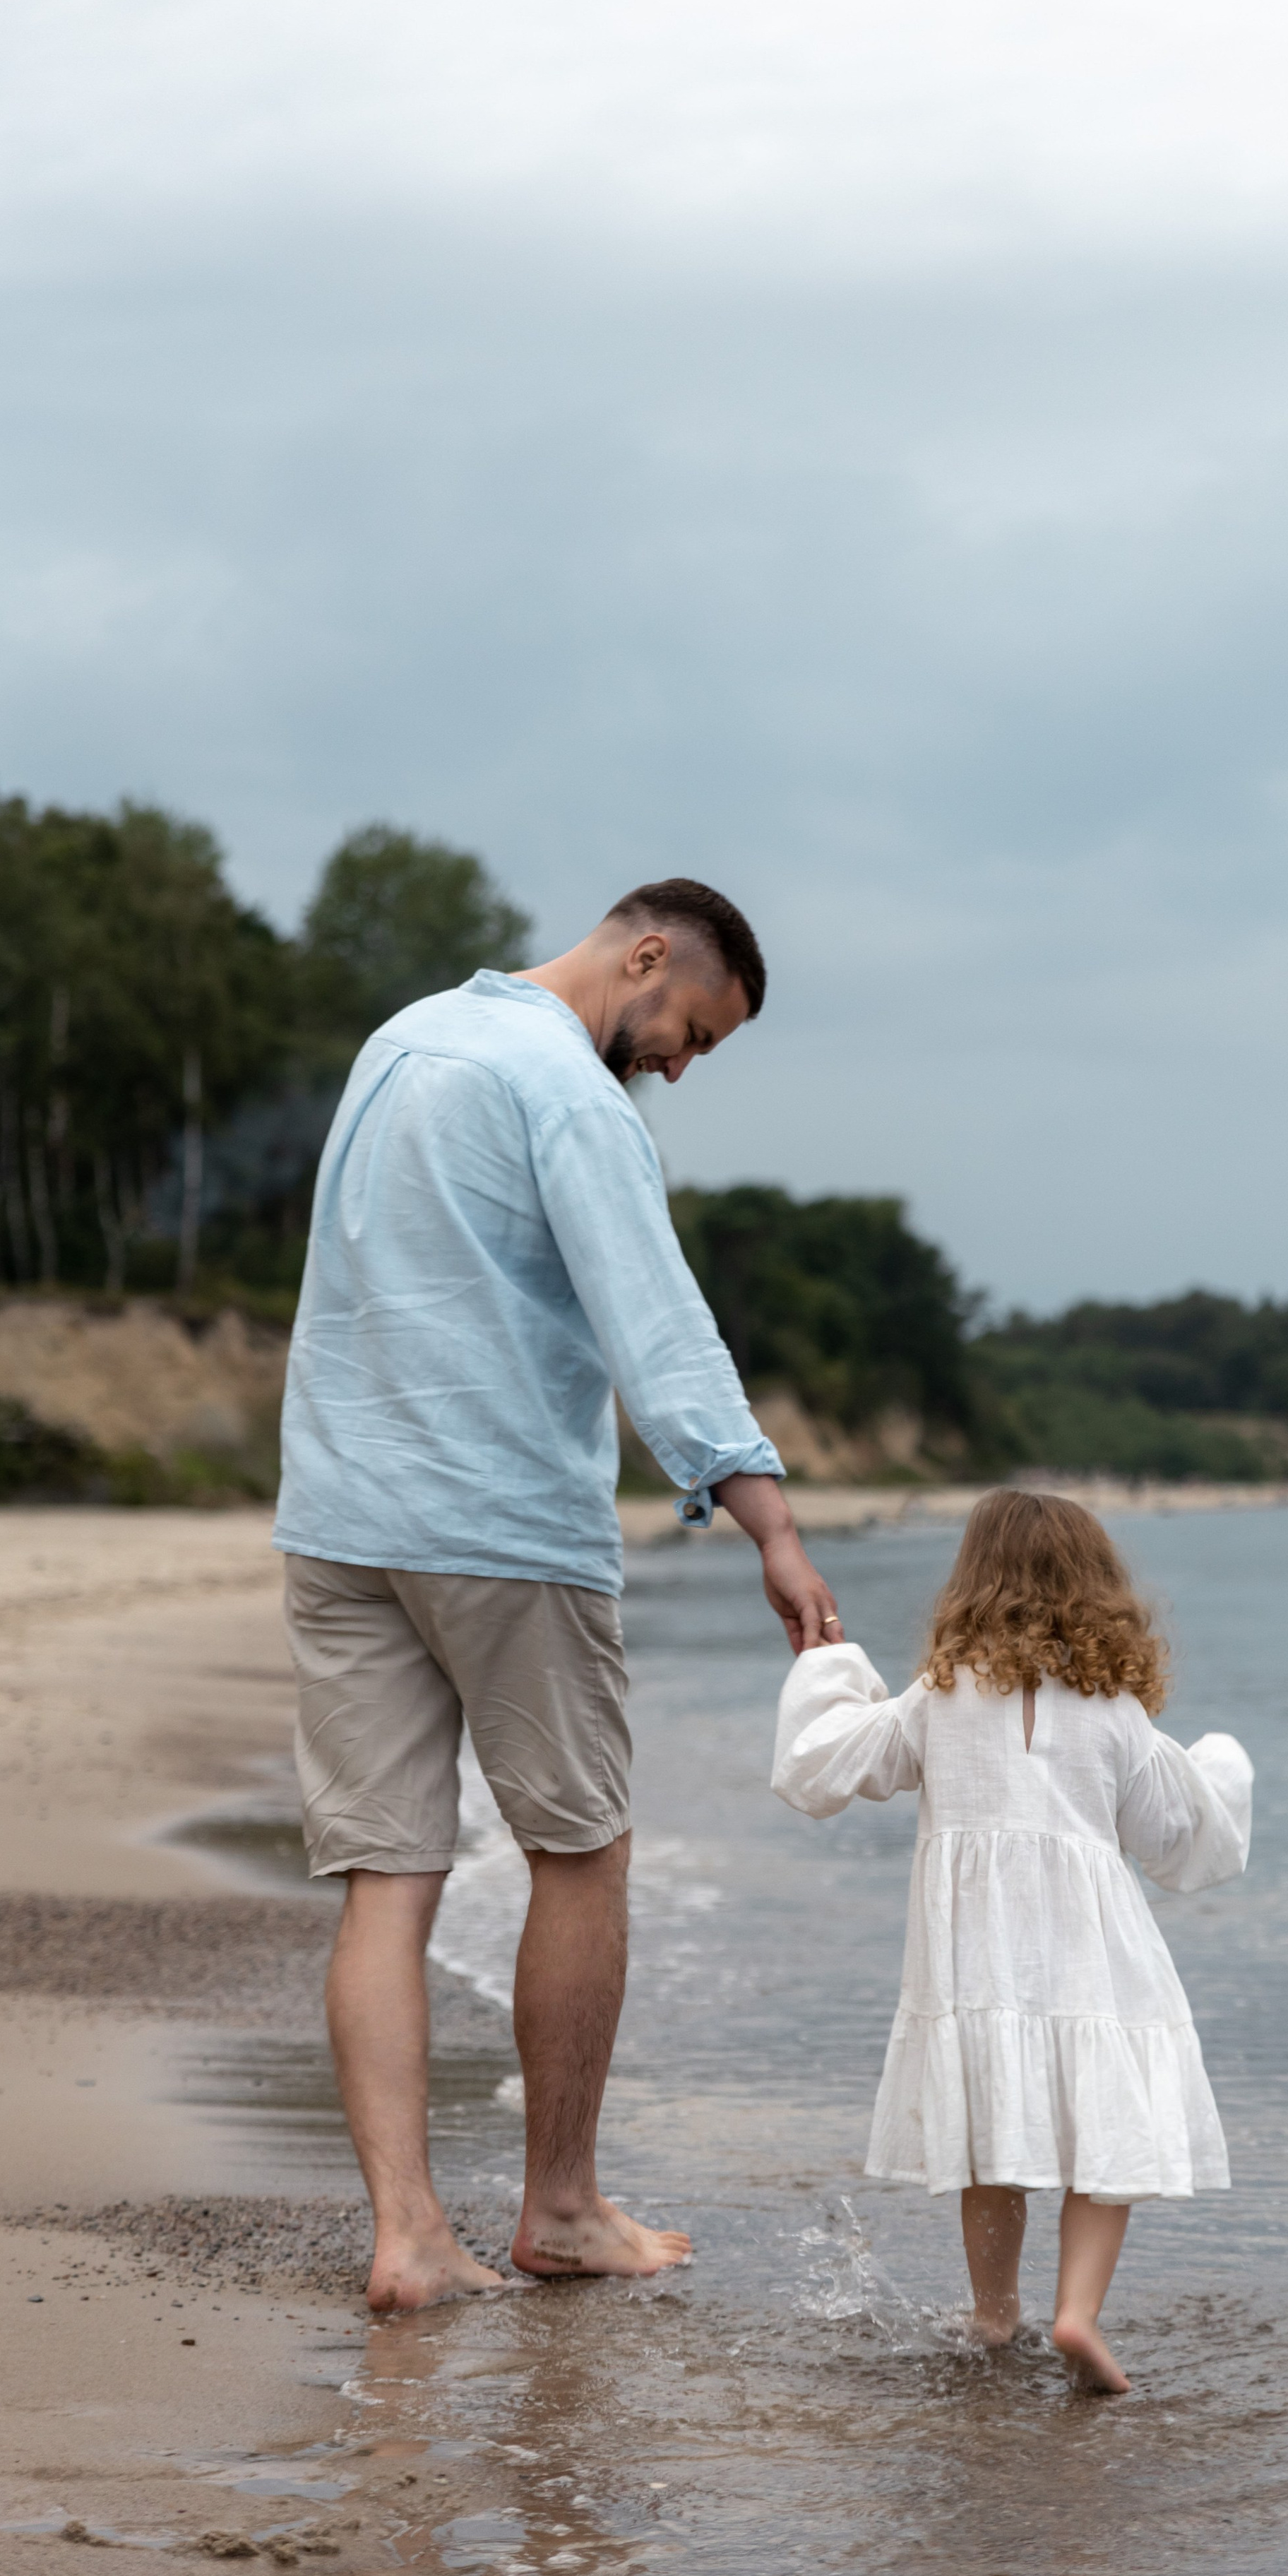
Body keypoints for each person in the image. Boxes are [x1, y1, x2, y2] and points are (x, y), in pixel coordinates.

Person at [274, 877, 842, 2313]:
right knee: (579, 1852)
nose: (677, 1063)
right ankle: (561, 2210)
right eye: (690, 1029)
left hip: (341, 1520)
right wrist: (768, 1525)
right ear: (643, 954)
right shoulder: (569, 1095)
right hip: (501, 1526)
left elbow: (343, 1276)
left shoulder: (399, 1043)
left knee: (386, 1882)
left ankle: (406, 2239)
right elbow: (658, 1326)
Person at [770, 1488, 1251, 2392]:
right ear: (1097, 1588)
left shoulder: (938, 1698)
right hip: (1095, 1955)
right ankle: (1077, 2315)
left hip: (978, 1961)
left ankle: (994, 2315)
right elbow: (1174, 1835)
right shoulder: (1115, 1714)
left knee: (993, 2126)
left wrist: (830, 1666)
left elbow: (827, 1764)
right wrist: (1221, 1771)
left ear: (971, 1584)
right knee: (1108, 2125)